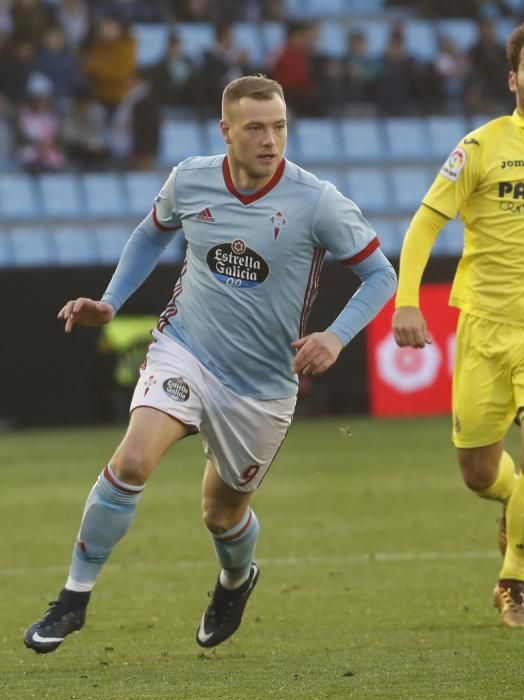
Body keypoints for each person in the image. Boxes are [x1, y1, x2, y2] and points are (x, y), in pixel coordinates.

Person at [24, 74, 397, 654]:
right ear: (225, 131)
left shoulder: (316, 200)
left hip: (263, 386)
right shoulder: (191, 179)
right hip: (186, 348)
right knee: (132, 460)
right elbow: (150, 236)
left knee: (221, 514)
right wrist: (110, 301)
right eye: (255, 128)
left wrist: (337, 335)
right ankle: (73, 599)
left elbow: (381, 275)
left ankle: (235, 580)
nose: (270, 140)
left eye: (279, 127)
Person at [392, 20, 524, 629]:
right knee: (481, 473)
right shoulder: (480, 146)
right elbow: (427, 222)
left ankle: (513, 582)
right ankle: (512, 502)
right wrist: (407, 299)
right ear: (514, 79)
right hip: (483, 327)